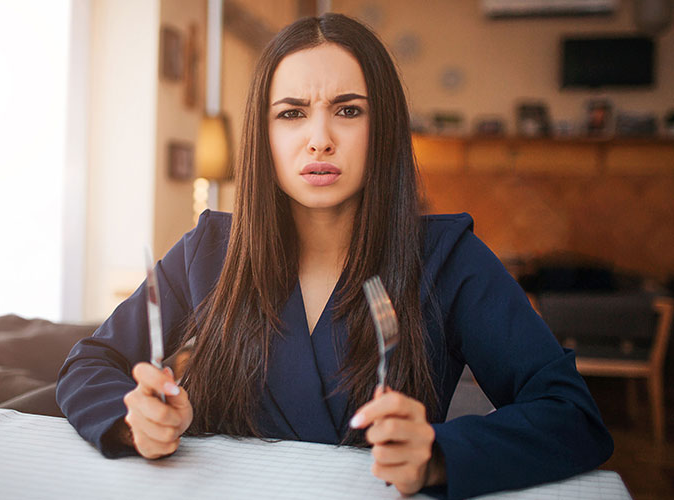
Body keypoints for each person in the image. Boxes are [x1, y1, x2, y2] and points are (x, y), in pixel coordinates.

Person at [57, 13, 613, 500]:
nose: (319, 139)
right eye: (292, 114)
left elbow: (572, 413)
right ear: (262, 135)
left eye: (348, 111)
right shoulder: (210, 248)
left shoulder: (448, 259)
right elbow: (88, 364)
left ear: (385, 128)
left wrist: (438, 453)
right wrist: (135, 422)